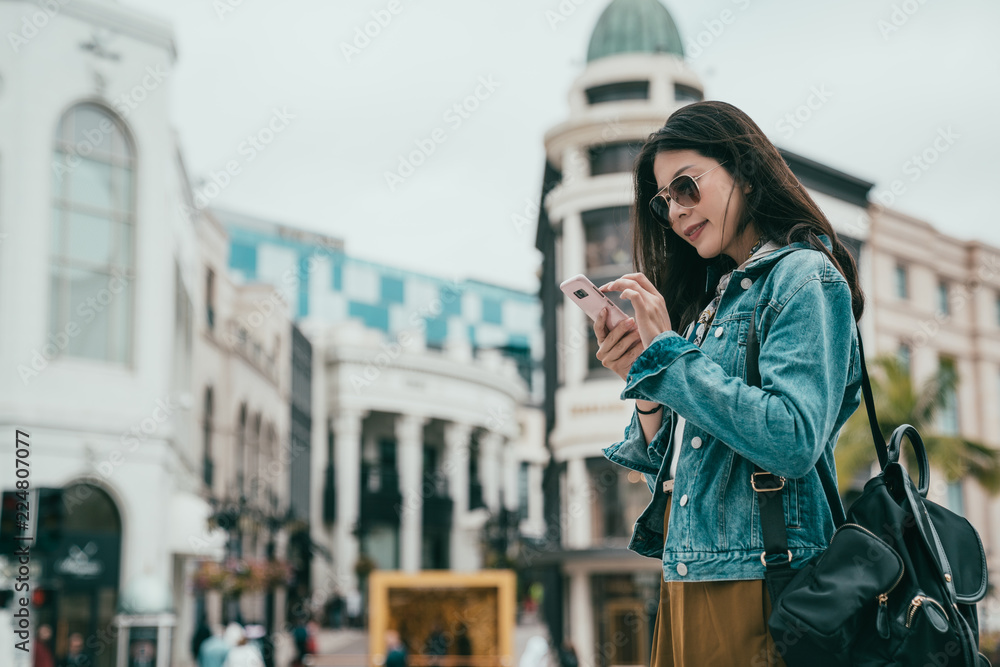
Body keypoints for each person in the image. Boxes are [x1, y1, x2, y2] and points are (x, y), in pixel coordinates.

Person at [595, 100, 864, 666]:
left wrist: (668, 359)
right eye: (663, 200)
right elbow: (687, 478)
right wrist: (648, 390)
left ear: (743, 168)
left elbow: (791, 438)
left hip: (766, 582)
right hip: (687, 578)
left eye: (686, 187)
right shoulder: (710, 305)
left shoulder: (802, 275)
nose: (675, 212)